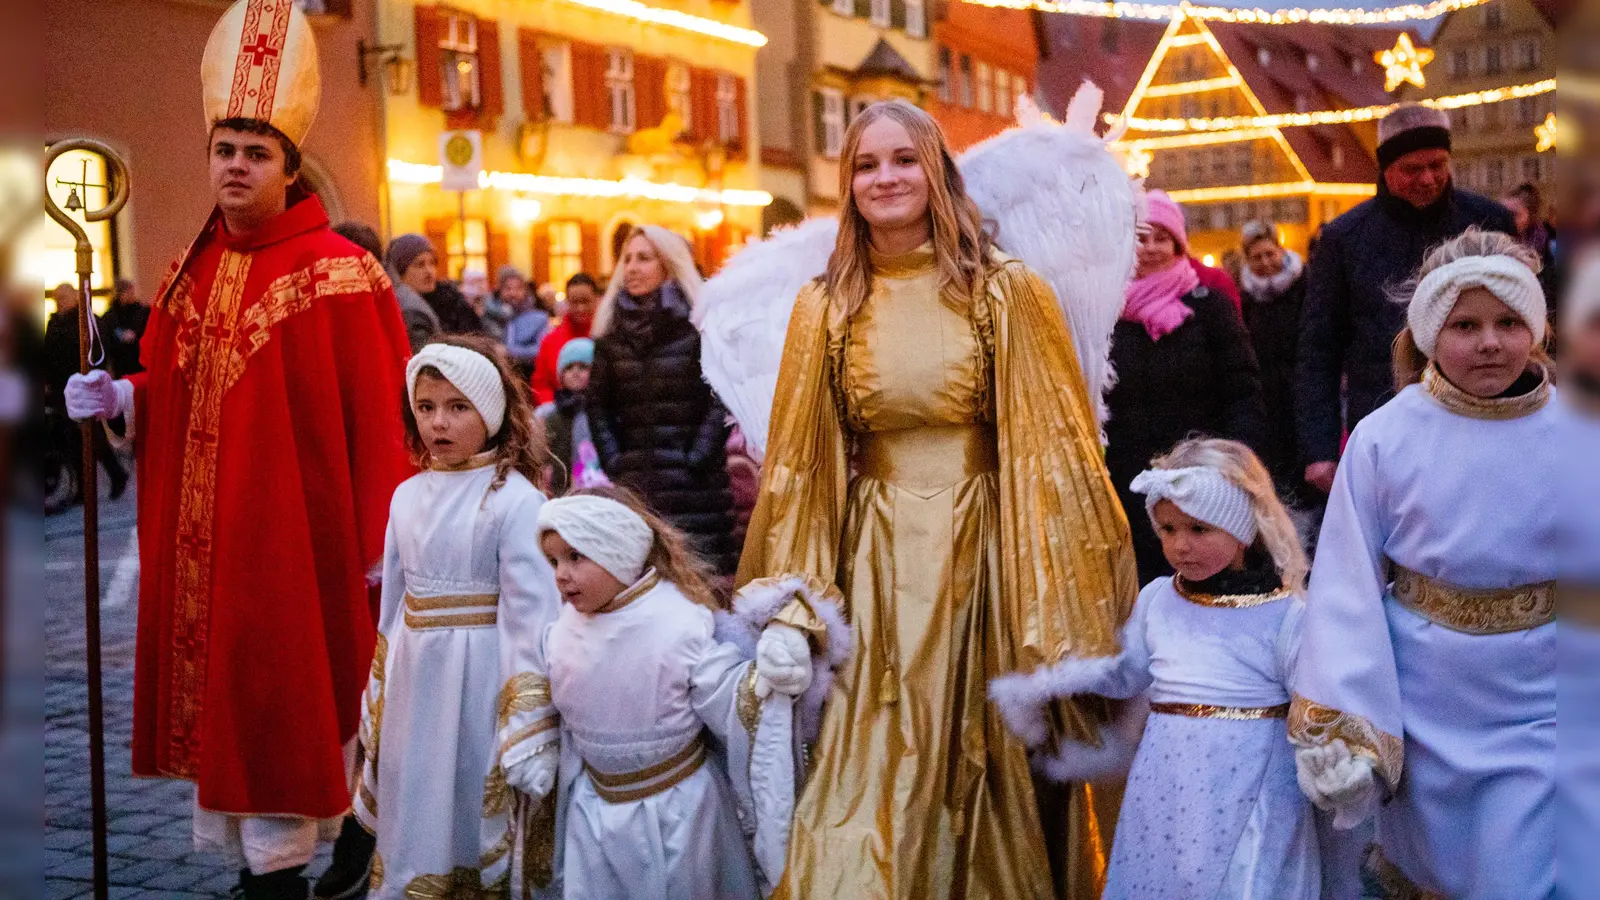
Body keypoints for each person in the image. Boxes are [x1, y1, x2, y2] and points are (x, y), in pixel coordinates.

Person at [737, 99, 1138, 900]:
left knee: (981, 764)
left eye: (902, 159)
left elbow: (1054, 447)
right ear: (847, 184)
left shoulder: (1005, 293)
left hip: (988, 553)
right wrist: (794, 598)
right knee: (866, 772)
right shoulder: (825, 307)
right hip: (876, 563)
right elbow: (799, 465)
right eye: (864, 164)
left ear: (936, 171)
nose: (885, 177)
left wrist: (1059, 595)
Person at [61, 4, 415, 897]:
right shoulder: (192, 265)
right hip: (212, 549)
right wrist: (118, 398)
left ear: (290, 169)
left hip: (305, 541)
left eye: (256, 154)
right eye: (225, 149)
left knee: (293, 707)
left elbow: (379, 416)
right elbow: (176, 387)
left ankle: (295, 871)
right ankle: (291, 866)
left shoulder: (341, 271)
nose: (235, 167)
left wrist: (385, 548)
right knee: (246, 707)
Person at [1290, 229, 1556, 899]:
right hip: (1431, 706)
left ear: (1537, 328)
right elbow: (1347, 585)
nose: (1490, 342)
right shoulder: (1386, 437)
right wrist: (1348, 727)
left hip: (1549, 701)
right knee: (1439, 872)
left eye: (1508, 322)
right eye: (1465, 325)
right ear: (1432, 332)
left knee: (1524, 866)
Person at [992, 437, 1317, 899]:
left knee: (1245, 876)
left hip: (1251, 779)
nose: (1180, 545)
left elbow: (1311, 700)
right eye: (1167, 530)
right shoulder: (1158, 600)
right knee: (1161, 873)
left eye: (1199, 529)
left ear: (1243, 527)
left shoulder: (1286, 614)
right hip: (1165, 778)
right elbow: (1128, 673)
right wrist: (1056, 675)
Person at [354, 337, 561, 898]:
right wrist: (383, 684)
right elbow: (394, 605)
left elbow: (533, 615)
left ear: (490, 413)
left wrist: (525, 715)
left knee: (466, 786)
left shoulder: (515, 501)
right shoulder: (406, 496)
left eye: (457, 407)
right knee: (416, 787)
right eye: (426, 408)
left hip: (479, 679)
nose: (438, 423)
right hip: (416, 679)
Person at [534, 488, 816, 898]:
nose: (560, 574)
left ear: (618, 552)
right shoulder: (561, 632)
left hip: (680, 813)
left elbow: (731, 697)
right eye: (554, 560)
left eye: (576, 557)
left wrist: (768, 674)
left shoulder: (677, 623)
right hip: (594, 814)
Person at [1296, 103, 1515, 496]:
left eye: (1438, 164)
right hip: (1386, 417)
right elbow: (1318, 348)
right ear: (1385, 169)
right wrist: (1320, 447)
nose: (1428, 179)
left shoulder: (1489, 222)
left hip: (1482, 410)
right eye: (1412, 169)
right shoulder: (1345, 239)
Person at [1106, 190, 1267, 584]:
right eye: (1142, 237)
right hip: (1128, 476)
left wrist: (1236, 462)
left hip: (1203, 476)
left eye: (1163, 238)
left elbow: (1242, 388)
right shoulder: (1106, 312)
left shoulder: (1209, 306)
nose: (1151, 248)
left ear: (1179, 244)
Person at [587, 227, 739, 575]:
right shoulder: (611, 333)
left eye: (644, 258)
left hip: (696, 490)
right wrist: (615, 460)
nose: (632, 268)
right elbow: (598, 406)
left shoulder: (698, 326)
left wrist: (698, 456)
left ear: (668, 266)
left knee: (701, 588)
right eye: (627, 259)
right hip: (637, 483)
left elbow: (720, 397)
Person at [1237, 220, 1309, 498]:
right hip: (1266, 392)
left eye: (1270, 254)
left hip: (1301, 385)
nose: (1266, 262)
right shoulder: (1245, 296)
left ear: (1282, 251)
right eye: (1257, 257)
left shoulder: (1305, 283)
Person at [45, 282, 128, 506]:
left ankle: (115, 473)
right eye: (56, 299)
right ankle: (82, 489)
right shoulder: (55, 323)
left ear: (73, 298)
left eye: (63, 298)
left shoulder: (85, 320)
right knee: (74, 441)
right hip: (61, 388)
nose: (59, 303)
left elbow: (98, 352)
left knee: (90, 435)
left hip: (82, 385)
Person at [535, 337, 604, 495]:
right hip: (557, 490)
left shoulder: (599, 412)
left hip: (594, 489)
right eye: (569, 367)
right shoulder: (549, 414)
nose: (575, 372)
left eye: (583, 367)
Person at [384, 233, 484, 335]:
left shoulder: (452, 304)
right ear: (400, 271)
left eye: (432, 263)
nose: (429, 271)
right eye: (420, 265)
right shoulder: (402, 310)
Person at [531, 272, 598, 404]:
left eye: (585, 301)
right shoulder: (550, 341)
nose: (580, 308)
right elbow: (540, 385)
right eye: (575, 302)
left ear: (596, 299)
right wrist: (556, 409)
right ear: (567, 302)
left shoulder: (607, 336)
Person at [501, 266, 550, 378]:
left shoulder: (539, 319)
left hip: (527, 375)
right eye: (507, 288)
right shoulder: (491, 317)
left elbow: (541, 349)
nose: (512, 293)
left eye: (518, 288)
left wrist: (510, 352)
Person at [102, 278, 151, 378]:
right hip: (119, 363)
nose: (131, 295)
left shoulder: (142, 312)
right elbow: (107, 338)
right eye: (128, 292)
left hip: (138, 361)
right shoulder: (110, 316)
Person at [1503, 181, 1556, 269]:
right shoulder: (1492, 238)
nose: (1506, 217)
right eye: (1503, 211)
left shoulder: (1547, 244)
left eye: (1514, 214)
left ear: (1531, 216)